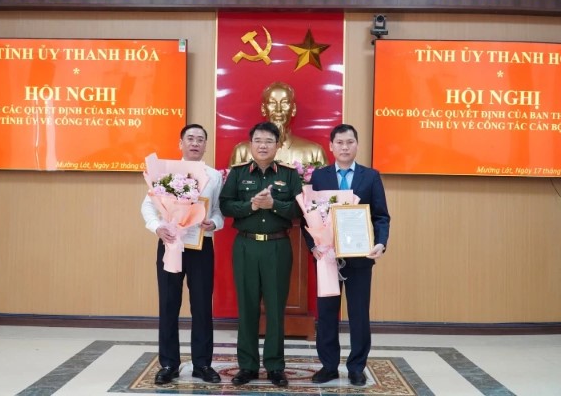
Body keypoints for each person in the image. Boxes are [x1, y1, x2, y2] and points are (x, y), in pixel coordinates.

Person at [303, 124, 390, 387]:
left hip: (360, 257)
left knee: (359, 314)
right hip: (327, 258)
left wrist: (381, 243)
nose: (345, 147)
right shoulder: (319, 177)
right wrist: (313, 246)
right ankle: (329, 366)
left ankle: (356, 367)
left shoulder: (370, 176)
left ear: (357, 145)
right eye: (339, 142)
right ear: (331, 146)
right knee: (327, 313)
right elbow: (308, 215)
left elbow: (381, 216)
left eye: (350, 142)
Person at [219, 121, 303, 388]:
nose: (263, 146)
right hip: (246, 246)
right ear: (250, 144)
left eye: (268, 141)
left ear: (277, 145)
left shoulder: (289, 175)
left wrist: (274, 204)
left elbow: (301, 209)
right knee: (247, 307)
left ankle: (275, 367)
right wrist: (251, 206)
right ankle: (247, 366)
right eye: (258, 140)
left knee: (276, 308)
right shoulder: (238, 173)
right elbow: (225, 205)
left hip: (277, 246)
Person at [140, 124, 224, 385]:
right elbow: (148, 206)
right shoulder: (165, 172)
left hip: (201, 246)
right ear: (180, 143)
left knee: (202, 306)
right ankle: (168, 364)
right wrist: (157, 227)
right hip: (171, 245)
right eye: (190, 138)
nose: (195, 143)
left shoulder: (214, 176)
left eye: (200, 139)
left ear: (205, 145)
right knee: (168, 304)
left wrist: (214, 224)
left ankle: (202, 364)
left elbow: (218, 211)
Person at [229, 81, 328, 166]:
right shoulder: (243, 152)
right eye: (272, 103)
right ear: (263, 109)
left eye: (284, 103)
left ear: (293, 109)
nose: (278, 109)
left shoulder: (314, 153)